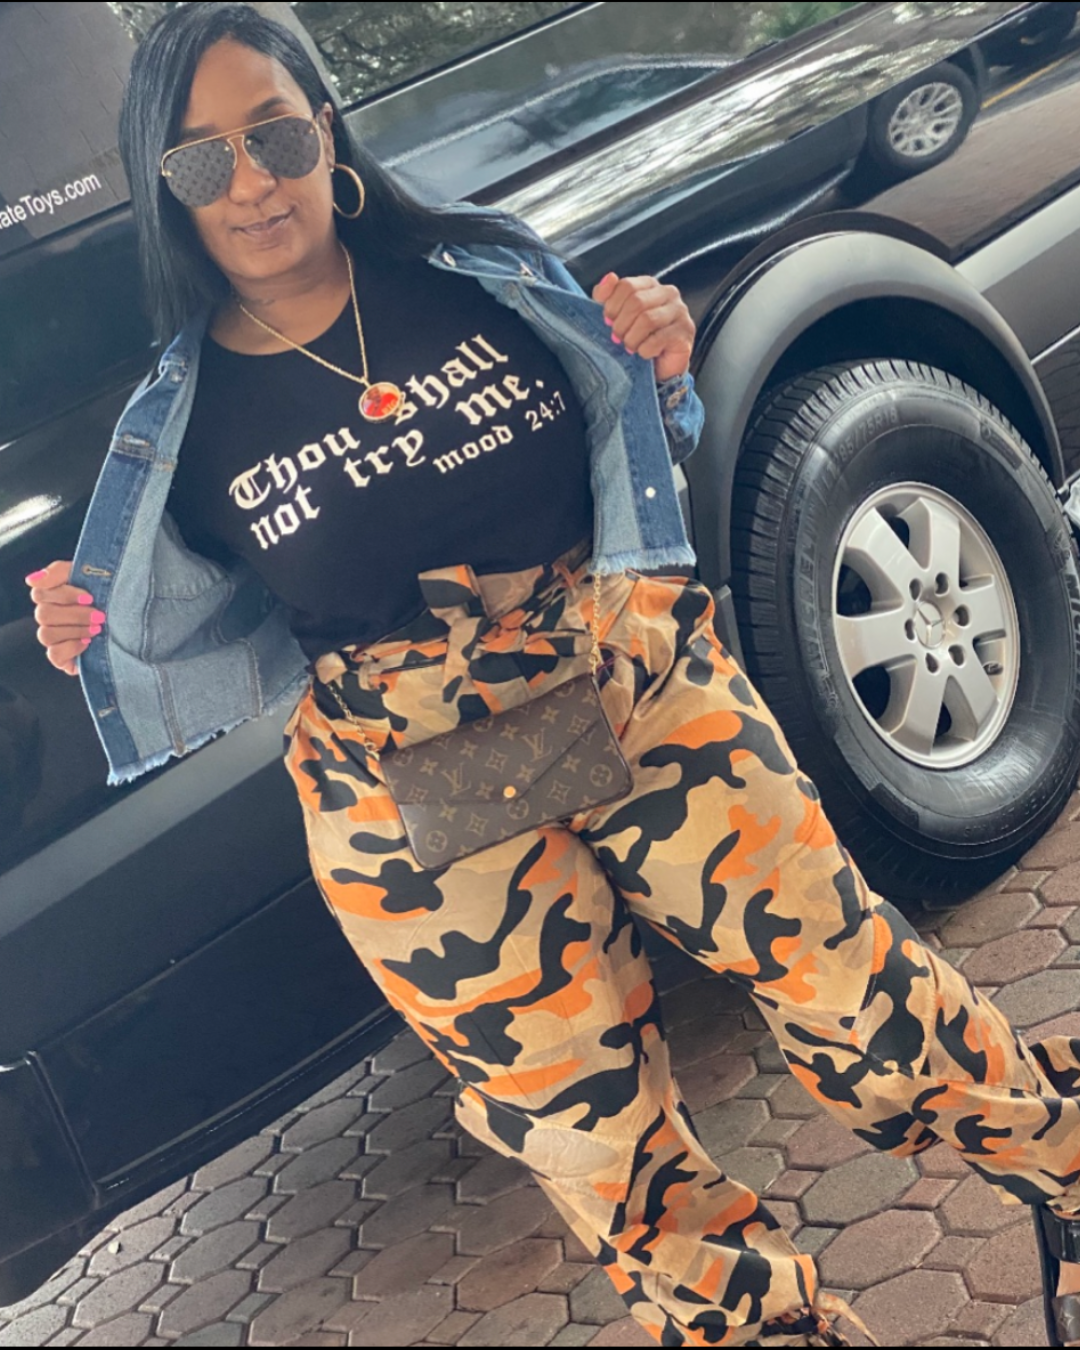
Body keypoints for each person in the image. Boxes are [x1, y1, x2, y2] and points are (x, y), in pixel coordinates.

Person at [26, 5, 1080, 1345]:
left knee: (853, 990)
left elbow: (630, 432)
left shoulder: (483, 272)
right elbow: (166, 629)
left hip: (631, 680)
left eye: (275, 134)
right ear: (162, 188)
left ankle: (1065, 1167)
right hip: (412, 785)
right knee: (599, 1143)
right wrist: (87, 630)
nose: (250, 182)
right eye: (199, 158)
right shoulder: (171, 433)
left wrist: (666, 362)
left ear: (327, 136)